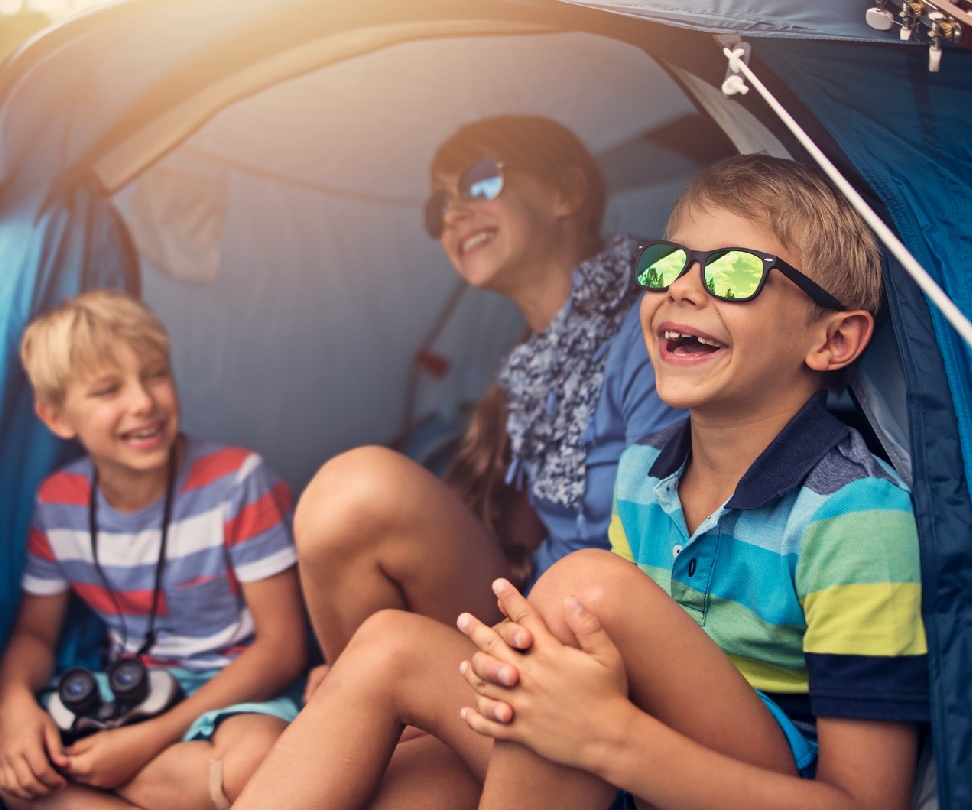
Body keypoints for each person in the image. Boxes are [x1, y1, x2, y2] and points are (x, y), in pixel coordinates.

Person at [237, 155, 925, 809]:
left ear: (833, 340)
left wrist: (608, 738)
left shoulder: (855, 514)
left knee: (580, 590)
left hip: (714, 777)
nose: (682, 287)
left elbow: (863, 801)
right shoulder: (644, 473)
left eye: (736, 273)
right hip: (618, 755)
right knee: (390, 647)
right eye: (667, 264)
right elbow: (611, 667)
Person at [286, 114, 682, 805]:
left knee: (357, 492)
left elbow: (674, 541)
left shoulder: (657, 322)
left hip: (619, 658)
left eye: (480, 179)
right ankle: (377, 709)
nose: (454, 213)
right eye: (438, 204)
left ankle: (391, 714)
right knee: (351, 499)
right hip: (534, 610)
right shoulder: (525, 369)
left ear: (565, 194)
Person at [0, 290, 309, 810]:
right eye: (108, 389)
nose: (143, 401)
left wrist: (147, 742)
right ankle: (122, 787)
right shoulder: (58, 503)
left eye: (154, 375)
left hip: (229, 696)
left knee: (254, 765)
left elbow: (282, 648)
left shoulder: (239, 482)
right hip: (122, 692)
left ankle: (71, 792)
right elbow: (36, 633)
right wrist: (17, 710)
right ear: (58, 418)